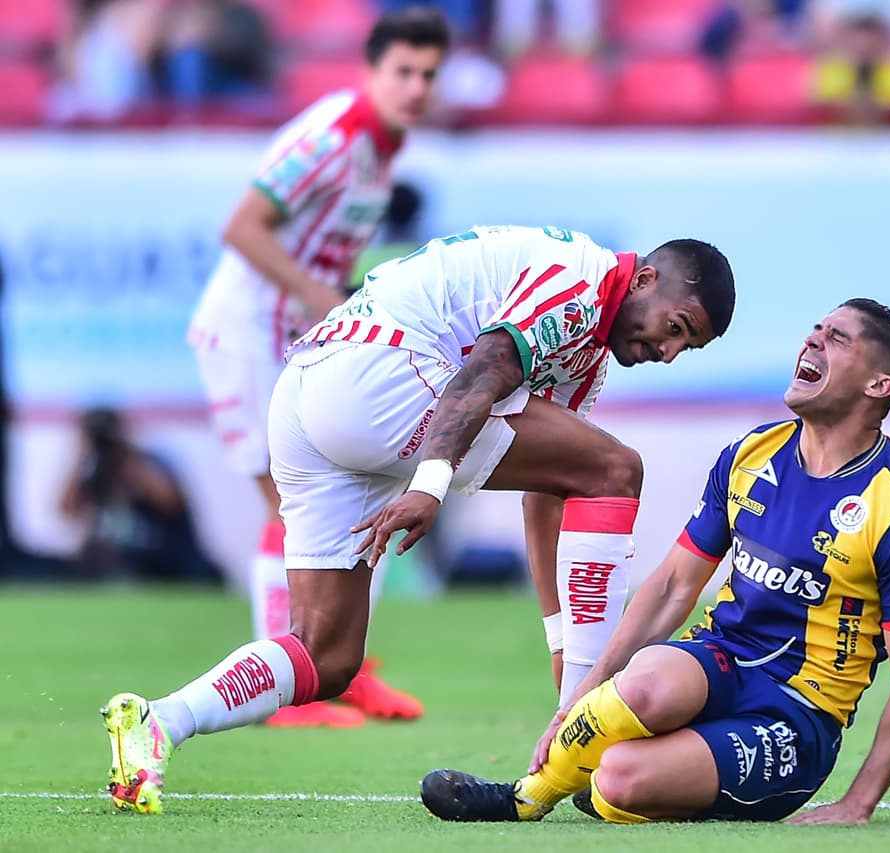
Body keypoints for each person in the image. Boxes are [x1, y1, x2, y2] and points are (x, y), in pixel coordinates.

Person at [100, 223, 736, 815]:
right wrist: (431, 486)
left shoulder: (589, 346)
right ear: (647, 281)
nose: (669, 350)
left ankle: (159, 721)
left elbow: (552, 492)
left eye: (688, 346)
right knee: (619, 467)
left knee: (326, 656)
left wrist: (561, 642)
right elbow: (483, 372)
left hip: (306, 395)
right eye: (676, 326)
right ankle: (586, 726)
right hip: (376, 377)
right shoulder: (583, 281)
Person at [420, 298, 890, 825]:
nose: (812, 340)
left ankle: (626, 785)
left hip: (798, 714)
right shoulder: (751, 455)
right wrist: (585, 692)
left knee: (619, 779)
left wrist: (858, 804)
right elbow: (674, 583)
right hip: (721, 658)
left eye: (837, 338)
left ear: (879, 385)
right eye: (816, 329)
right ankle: (525, 797)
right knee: (647, 681)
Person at [185, 9, 451, 729]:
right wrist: (321, 299)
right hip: (247, 336)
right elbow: (241, 225)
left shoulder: (383, 146)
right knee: (290, 505)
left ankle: (342, 666)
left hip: (292, 343)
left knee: (353, 503)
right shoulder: (333, 138)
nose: (417, 87)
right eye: (403, 71)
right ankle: (291, 685)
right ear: (371, 72)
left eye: (429, 74)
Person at [59, 407, 221, 584]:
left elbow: (168, 500)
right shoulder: (96, 474)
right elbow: (65, 510)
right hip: (121, 564)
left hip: (168, 559)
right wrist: (80, 456)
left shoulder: (151, 464)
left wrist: (124, 450)